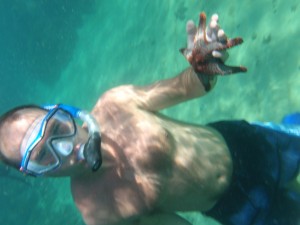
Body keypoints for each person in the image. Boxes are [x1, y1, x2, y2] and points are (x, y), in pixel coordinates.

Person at [0, 11, 299, 225]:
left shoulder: (116, 103)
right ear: (35, 173)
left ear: (63, 110)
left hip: (252, 144)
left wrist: (205, 65)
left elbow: (186, 87)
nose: (64, 148)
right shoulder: (98, 212)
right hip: (238, 209)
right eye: (42, 155)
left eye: (57, 128)